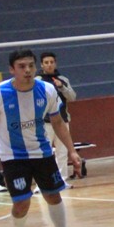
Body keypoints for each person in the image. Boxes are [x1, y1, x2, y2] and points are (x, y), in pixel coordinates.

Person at [0, 49, 85, 227]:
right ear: (11, 69)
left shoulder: (47, 90)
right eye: (21, 67)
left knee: (53, 195)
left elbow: (58, 122)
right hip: (13, 157)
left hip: (42, 153)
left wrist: (72, 150)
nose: (27, 70)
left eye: (30, 66)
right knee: (21, 202)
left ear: (36, 68)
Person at [37, 51, 78, 180]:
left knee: (62, 151)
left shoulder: (63, 79)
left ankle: (62, 179)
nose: (49, 65)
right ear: (41, 65)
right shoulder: (37, 81)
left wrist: (62, 87)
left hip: (62, 120)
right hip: (44, 122)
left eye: (51, 62)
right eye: (46, 63)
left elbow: (72, 97)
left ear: (55, 63)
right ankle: (44, 180)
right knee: (44, 152)